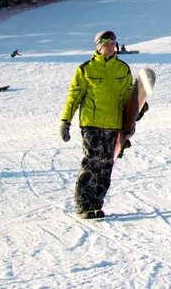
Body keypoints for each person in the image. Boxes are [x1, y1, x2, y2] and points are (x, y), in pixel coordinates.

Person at [59, 29, 134, 219]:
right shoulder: (86, 69)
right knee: (92, 162)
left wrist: (137, 112)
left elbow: (128, 96)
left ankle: (96, 204)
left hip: (113, 123)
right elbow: (73, 97)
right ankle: (83, 205)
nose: (110, 47)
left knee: (106, 164)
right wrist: (65, 121)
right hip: (90, 124)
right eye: (106, 44)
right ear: (99, 47)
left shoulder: (123, 69)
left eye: (113, 44)